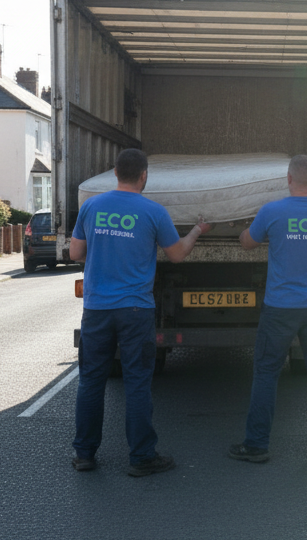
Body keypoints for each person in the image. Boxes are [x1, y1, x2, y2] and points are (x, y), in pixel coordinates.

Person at [69, 148, 211, 476]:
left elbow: (76, 252)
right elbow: (176, 255)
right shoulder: (153, 212)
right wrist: (195, 232)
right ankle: (142, 456)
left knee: (91, 380)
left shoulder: (91, 207)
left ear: (115, 173)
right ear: (144, 175)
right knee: (136, 381)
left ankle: (85, 454)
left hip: (97, 309)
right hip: (135, 309)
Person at [228, 155, 307, 464]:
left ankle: (256, 445)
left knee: (266, 372)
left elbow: (248, 243)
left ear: (288, 179)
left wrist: (243, 231)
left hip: (280, 307)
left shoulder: (272, 212)